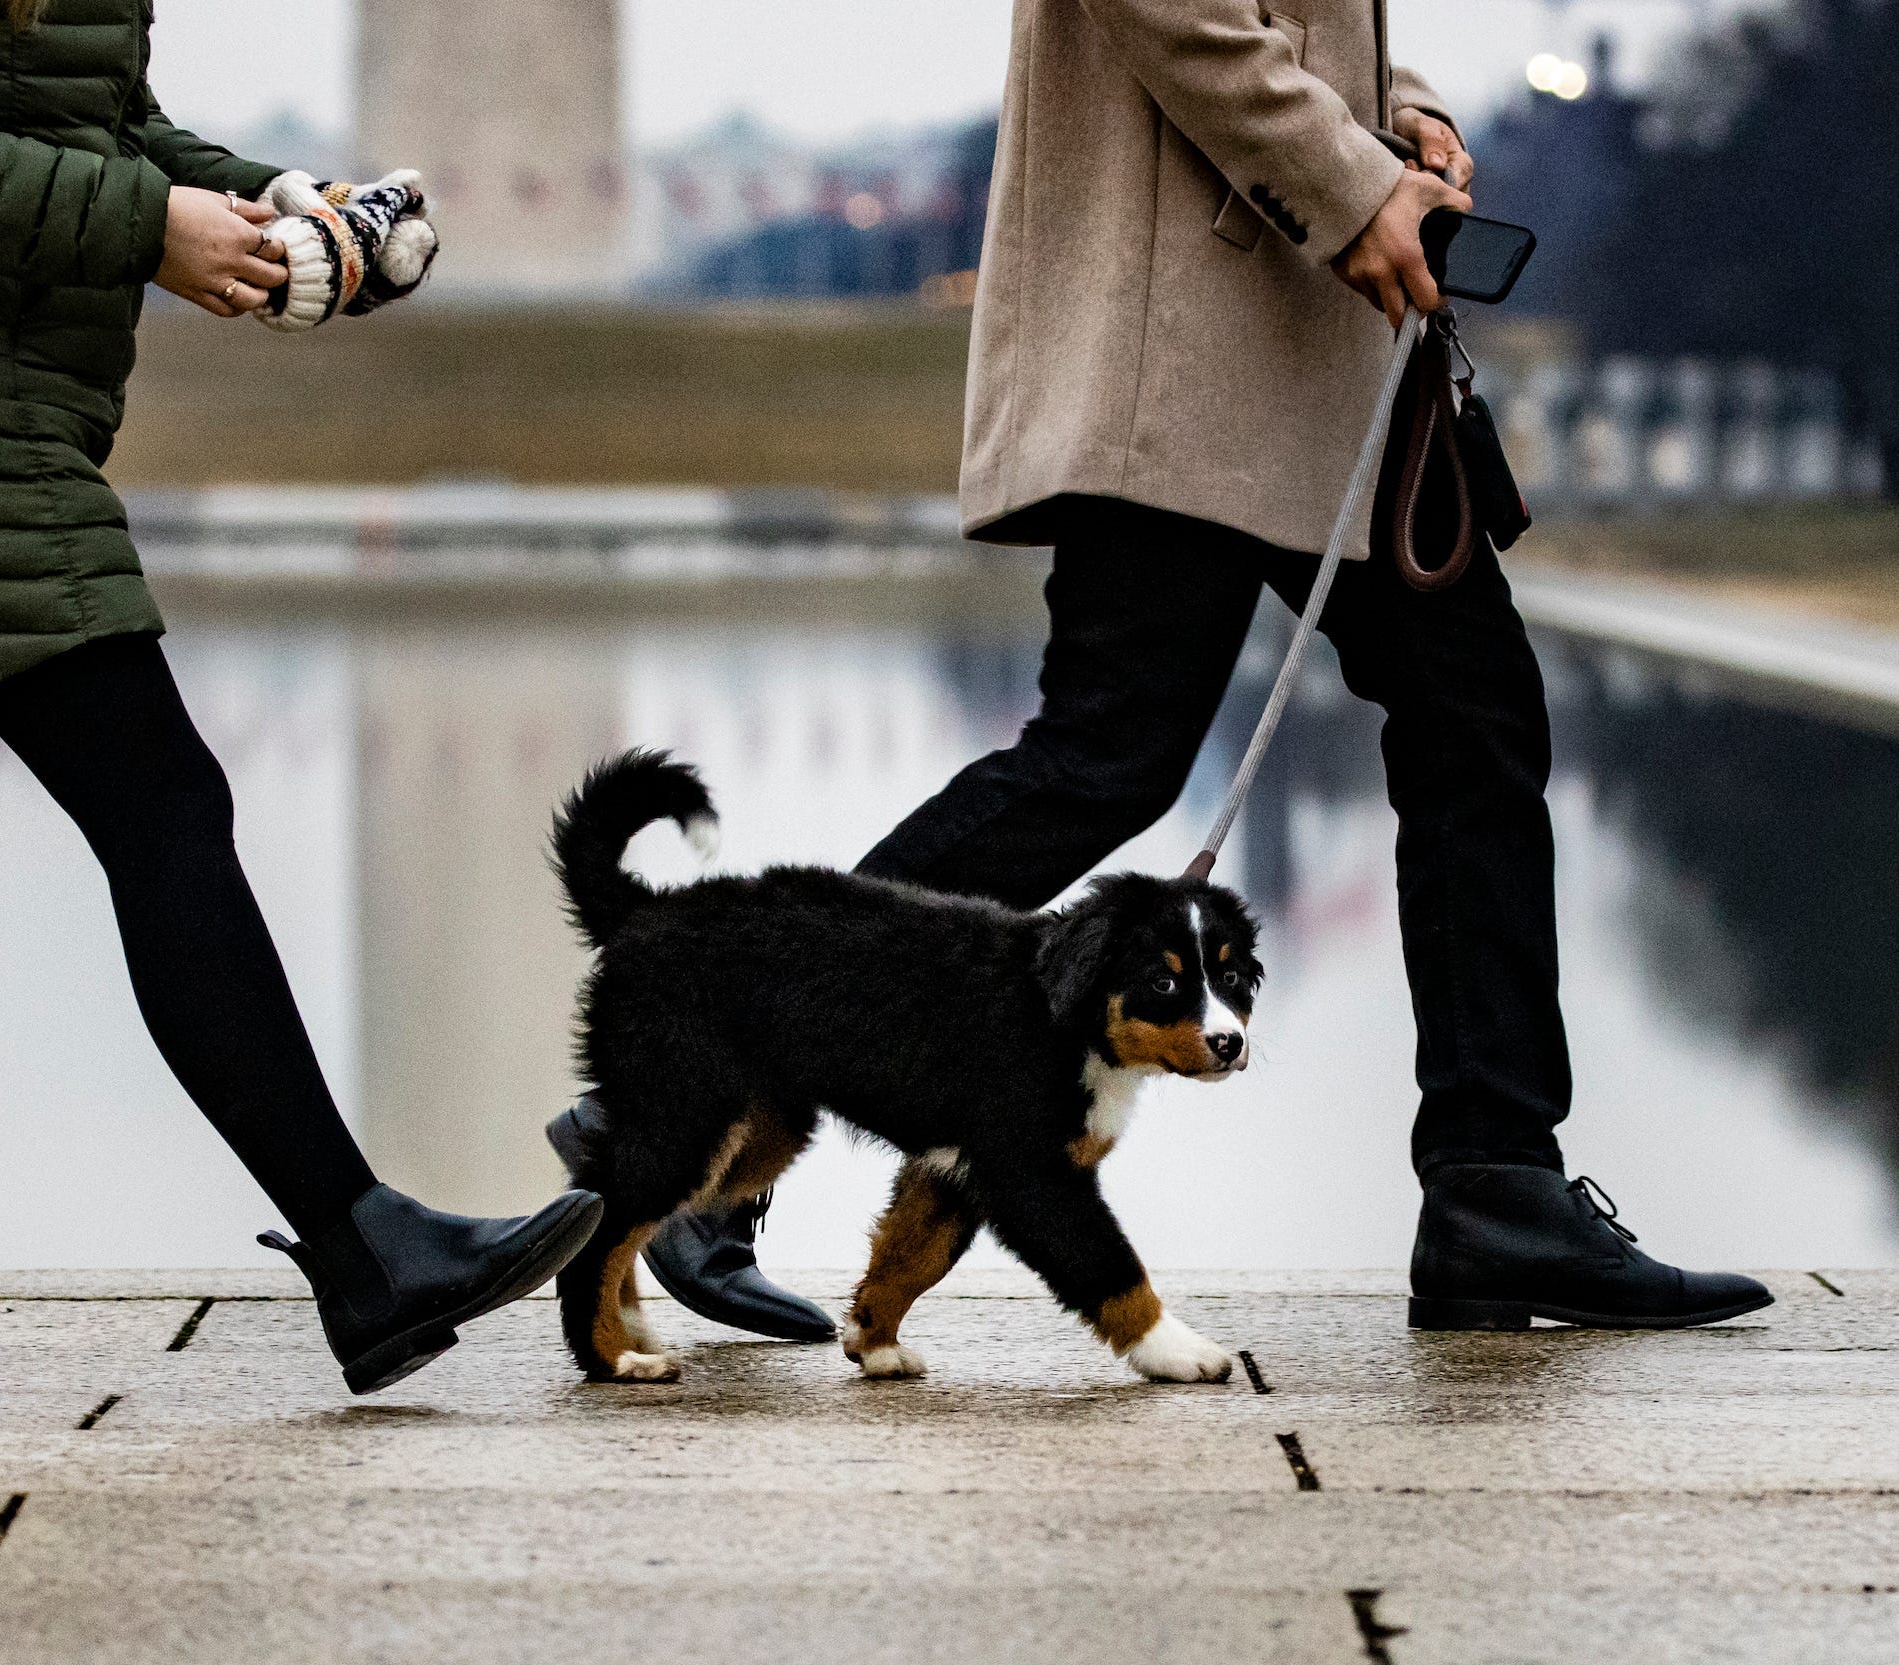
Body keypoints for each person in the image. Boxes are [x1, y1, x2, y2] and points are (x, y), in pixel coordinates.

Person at [562, 0, 1770, 1335]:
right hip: (1189, 331)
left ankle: (1498, 1188)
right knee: (1111, 752)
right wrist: (1351, 180)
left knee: (1463, 718)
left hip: (1305, 326)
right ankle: (713, 1060)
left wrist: (1405, 115)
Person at [0, 0, 600, 1397]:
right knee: (161, 798)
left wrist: (262, 204)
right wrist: (144, 225)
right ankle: (368, 1247)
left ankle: (372, 1251)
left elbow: (90, 120)